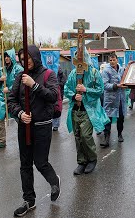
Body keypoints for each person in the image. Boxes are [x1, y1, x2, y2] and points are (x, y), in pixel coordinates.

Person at [7, 45, 61, 217]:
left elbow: (53, 96)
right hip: (25, 126)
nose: (25, 61)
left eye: (28, 58)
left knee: (40, 162)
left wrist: (34, 85)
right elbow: (11, 100)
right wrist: (20, 113)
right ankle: (29, 200)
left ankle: (54, 181)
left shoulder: (48, 75)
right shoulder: (19, 76)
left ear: (35, 57)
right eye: (22, 59)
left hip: (42, 126)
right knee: (25, 164)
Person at [64, 47, 109, 175]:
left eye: (81, 56)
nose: (79, 59)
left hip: (89, 111)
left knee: (85, 136)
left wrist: (86, 90)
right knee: (77, 137)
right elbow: (66, 88)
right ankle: (81, 162)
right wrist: (73, 96)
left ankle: (92, 159)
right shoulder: (73, 73)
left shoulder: (94, 73)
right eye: (77, 56)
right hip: (75, 110)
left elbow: (100, 90)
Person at [0, 48, 23, 150]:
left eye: (8, 56)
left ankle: (26, 138)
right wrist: (0, 80)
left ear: (12, 57)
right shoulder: (2, 70)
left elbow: (20, 84)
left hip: (14, 98)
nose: (6, 58)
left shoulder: (18, 69)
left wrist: (9, 89)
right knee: (0, 119)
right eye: (5, 57)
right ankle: (1, 141)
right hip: (2, 98)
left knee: (20, 118)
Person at [101, 53, 127, 147]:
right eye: (110, 60)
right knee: (108, 119)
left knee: (121, 117)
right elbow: (104, 85)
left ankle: (120, 134)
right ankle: (106, 138)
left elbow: (126, 79)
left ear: (117, 60)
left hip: (120, 98)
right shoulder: (105, 71)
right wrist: (116, 86)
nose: (112, 62)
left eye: (114, 60)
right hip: (110, 98)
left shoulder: (122, 69)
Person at [52, 66, 67, 131]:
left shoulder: (61, 74)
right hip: (51, 93)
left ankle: (56, 125)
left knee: (57, 109)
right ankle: (51, 123)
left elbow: (63, 82)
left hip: (59, 94)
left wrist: (56, 85)